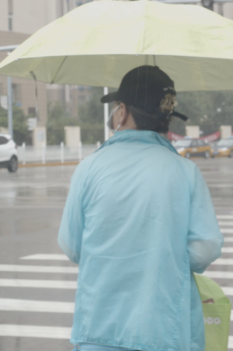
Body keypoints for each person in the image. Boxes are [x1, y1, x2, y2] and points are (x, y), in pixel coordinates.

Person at [58, 65, 224, 351]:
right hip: (163, 334)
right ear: (167, 118)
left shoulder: (88, 169)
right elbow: (206, 248)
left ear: (122, 112)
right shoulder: (185, 172)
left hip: (98, 333)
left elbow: (72, 246)